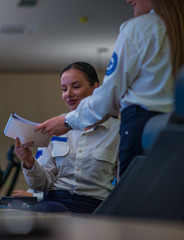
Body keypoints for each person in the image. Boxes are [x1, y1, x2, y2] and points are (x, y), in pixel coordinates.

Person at [35, 0, 184, 178]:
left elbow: (109, 96)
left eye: (76, 86)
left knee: (135, 201)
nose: (128, 0)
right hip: (175, 130)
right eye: (64, 88)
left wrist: (68, 122)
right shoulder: (177, 29)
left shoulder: (139, 28)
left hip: (142, 128)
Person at [15, 62, 120, 213]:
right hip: (54, 201)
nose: (68, 94)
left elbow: (125, 185)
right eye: (64, 89)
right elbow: (41, 185)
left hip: (93, 207)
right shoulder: (55, 126)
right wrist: (29, 161)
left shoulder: (117, 131)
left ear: (95, 88)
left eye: (76, 87)